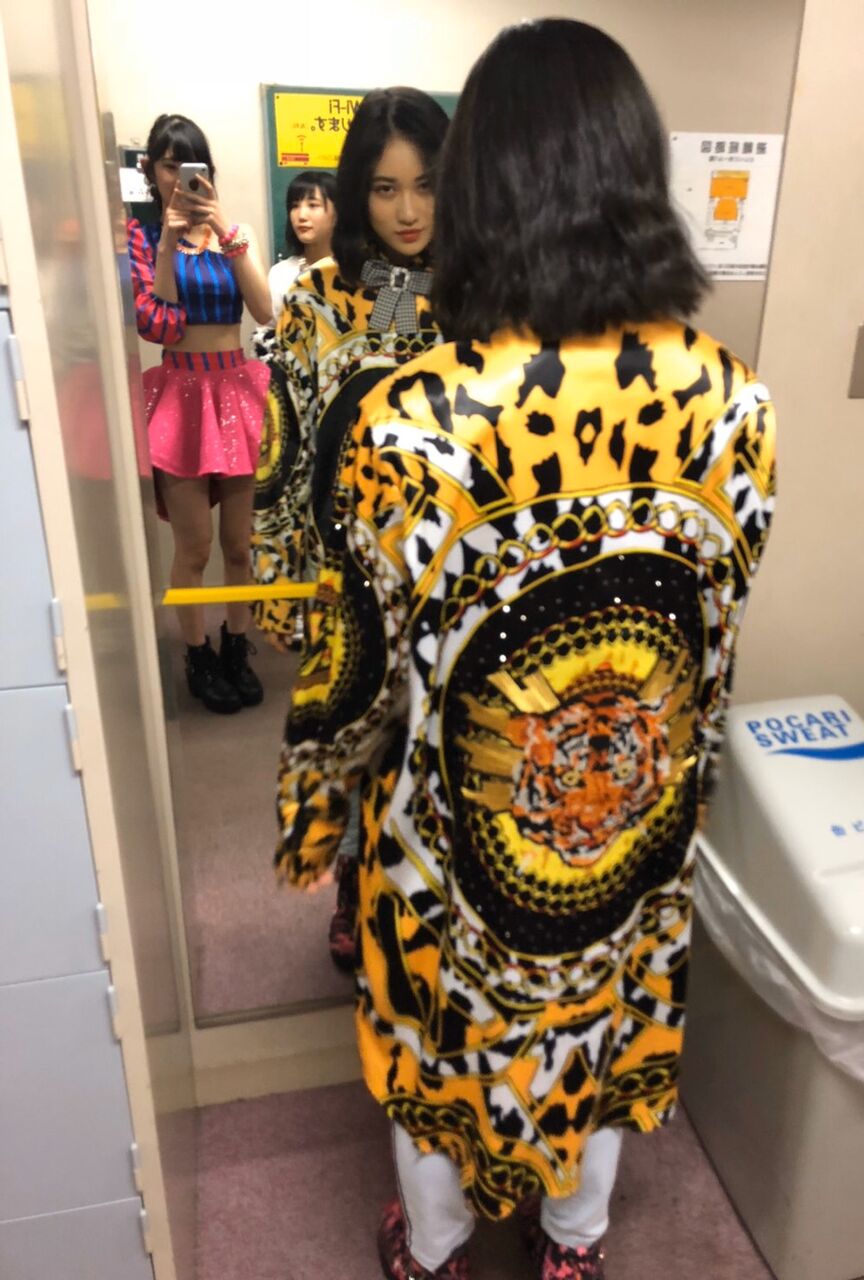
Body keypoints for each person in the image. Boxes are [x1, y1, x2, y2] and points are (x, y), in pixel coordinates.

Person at [272, 18, 778, 1280]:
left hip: (457, 842)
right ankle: (573, 1245)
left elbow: (355, 677)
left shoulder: (413, 421)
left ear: (482, 190)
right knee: (600, 1020)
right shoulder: (739, 404)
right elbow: (713, 645)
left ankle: (437, 1246)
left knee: (441, 1039)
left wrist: (313, 811)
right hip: (633, 817)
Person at [254, 89, 449, 970]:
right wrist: (279, 575)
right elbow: (285, 443)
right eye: (384, 188)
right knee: (354, 738)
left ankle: (425, 900)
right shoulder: (314, 301)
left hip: (450, 571)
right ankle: (350, 887)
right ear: (355, 192)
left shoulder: (482, 300)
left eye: (426, 185)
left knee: (433, 747)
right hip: (346, 570)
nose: (408, 211)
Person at [129, 113, 273, 714]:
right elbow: (158, 321)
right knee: (193, 548)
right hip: (181, 393)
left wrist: (222, 228)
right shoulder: (141, 240)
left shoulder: (235, 233)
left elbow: (264, 310)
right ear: (153, 170)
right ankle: (197, 654)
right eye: (169, 166)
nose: (180, 178)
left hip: (237, 390)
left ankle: (236, 645)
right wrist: (167, 242)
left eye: (191, 166)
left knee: (239, 545)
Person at [266, 169, 337, 321]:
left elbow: (378, 328)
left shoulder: (360, 272)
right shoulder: (281, 274)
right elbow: (269, 330)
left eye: (313, 205)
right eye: (295, 206)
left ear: (338, 213)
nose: (301, 216)